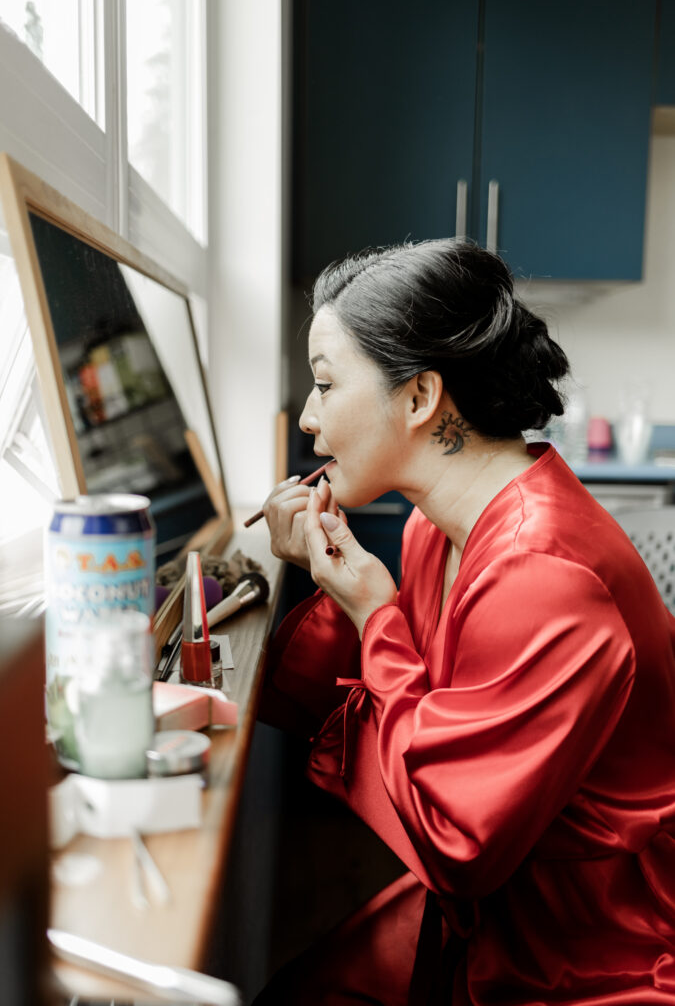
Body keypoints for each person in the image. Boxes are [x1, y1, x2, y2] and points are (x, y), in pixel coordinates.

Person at [254, 238, 675, 1005]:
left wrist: (374, 611)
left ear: (419, 398)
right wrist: (331, 581)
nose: (309, 419)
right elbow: (333, 702)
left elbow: (456, 840)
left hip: (598, 947)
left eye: (323, 385)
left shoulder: (543, 572)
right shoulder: (431, 527)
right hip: (500, 905)